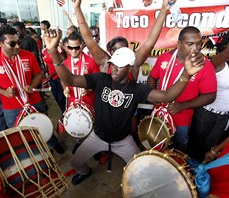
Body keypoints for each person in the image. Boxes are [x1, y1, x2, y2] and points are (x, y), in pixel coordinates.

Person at [43, 27, 204, 185]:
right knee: (76, 163)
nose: (114, 69)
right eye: (113, 64)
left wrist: (186, 75)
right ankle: (85, 172)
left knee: (140, 171)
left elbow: (168, 96)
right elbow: (70, 79)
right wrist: (53, 52)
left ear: (129, 67)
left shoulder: (137, 89)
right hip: (97, 137)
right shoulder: (100, 79)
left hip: (123, 141)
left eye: (120, 66)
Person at [0, 25, 64, 154]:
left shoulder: (28, 55)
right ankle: (34, 153)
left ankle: (52, 143)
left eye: (18, 42)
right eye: (12, 44)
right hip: (11, 107)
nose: (17, 47)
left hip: (35, 101)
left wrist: (32, 85)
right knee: (19, 134)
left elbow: (38, 74)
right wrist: (4, 92)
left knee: (43, 125)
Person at [148, 26, 217, 152]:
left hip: (181, 120)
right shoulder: (164, 57)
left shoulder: (205, 65)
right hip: (158, 114)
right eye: (190, 44)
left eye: (198, 44)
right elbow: (152, 78)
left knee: (178, 151)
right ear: (179, 43)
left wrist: (182, 106)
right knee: (155, 146)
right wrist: (153, 97)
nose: (195, 48)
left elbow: (210, 96)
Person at [71, 0, 170, 80]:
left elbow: (150, 42)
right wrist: (77, 9)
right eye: (115, 50)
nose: (119, 52)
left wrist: (164, 10)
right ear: (110, 51)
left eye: (122, 49)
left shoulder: (133, 63)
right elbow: (89, 40)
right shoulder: (105, 62)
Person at [187, 34, 229, 162]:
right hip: (206, 114)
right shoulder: (218, 64)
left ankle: (200, 177)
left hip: (223, 117)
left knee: (210, 151)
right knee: (194, 149)